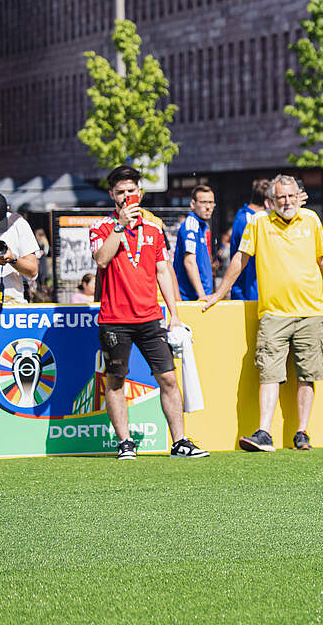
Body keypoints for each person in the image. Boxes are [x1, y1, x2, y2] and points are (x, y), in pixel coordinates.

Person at [203, 174, 323, 452]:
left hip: (310, 311)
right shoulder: (259, 222)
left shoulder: (310, 220)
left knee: (307, 375)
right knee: (269, 374)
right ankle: (264, 432)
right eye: (281, 197)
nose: (286, 202)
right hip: (273, 314)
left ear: (299, 196)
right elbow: (240, 259)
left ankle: (302, 433)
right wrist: (218, 292)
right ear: (271, 201)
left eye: (291, 196)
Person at [89, 165, 206, 459]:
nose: (126, 196)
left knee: (168, 378)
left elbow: (163, 271)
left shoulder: (154, 229)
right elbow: (101, 260)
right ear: (111, 195)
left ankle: (179, 441)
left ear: (139, 193)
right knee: (116, 380)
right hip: (115, 319)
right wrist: (119, 226)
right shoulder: (100, 227)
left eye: (131, 191)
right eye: (120, 192)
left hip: (151, 317)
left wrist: (174, 314)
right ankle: (125, 442)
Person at [229, 178, 270, 301]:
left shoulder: (244, 215)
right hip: (248, 291)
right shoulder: (249, 219)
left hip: (250, 289)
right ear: (268, 202)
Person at [174, 185, 216, 301]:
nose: (208, 207)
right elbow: (189, 262)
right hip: (192, 299)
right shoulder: (191, 226)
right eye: (203, 202)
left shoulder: (202, 226)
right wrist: (201, 294)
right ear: (193, 204)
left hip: (201, 296)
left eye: (211, 202)